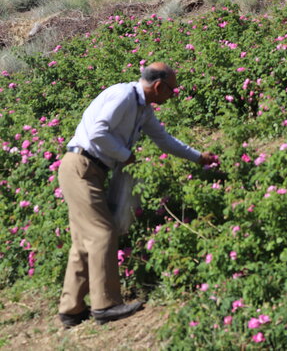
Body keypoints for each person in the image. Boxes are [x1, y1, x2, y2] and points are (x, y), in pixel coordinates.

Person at [57, 62, 217, 327]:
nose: (173, 95)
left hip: (89, 169)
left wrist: (199, 158)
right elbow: (97, 132)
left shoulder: (143, 109)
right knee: (102, 233)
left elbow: (164, 140)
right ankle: (105, 305)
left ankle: (70, 310)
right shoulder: (124, 95)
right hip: (81, 167)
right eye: (172, 90)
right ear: (158, 86)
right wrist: (125, 154)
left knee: (83, 240)